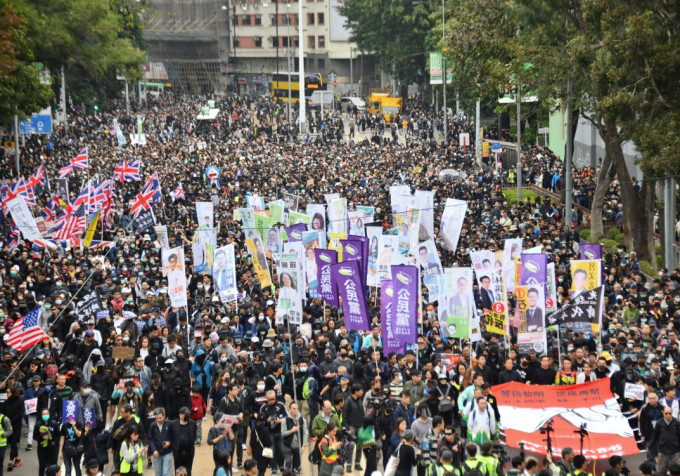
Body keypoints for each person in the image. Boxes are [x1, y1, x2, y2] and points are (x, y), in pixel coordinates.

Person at [649, 406, 680, 476]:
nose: (668, 415)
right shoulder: (659, 423)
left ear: (672, 413)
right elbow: (655, 436)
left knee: (676, 472)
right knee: (661, 472)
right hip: (663, 451)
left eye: (670, 413)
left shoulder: (676, 422)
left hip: (675, 451)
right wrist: (649, 446)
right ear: (663, 414)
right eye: (666, 413)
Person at [281, 401, 307, 475]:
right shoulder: (285, 420)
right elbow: (282, 434)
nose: (295, 410)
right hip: (287, 445)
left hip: (298, 446)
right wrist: (291, 431)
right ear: (289, 410)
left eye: (297, 409)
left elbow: (305, 433)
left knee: (296, 466)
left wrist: (304, 445)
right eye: (293, 409)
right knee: (288, 462)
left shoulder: (302, 420)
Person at [169, 408, 197, 476]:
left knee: (188, 471)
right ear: (180, 415)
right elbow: (170, 436)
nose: (188, 415)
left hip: (189, 453)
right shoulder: (173, 424)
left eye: (188, 414)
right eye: (186, 414)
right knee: (178, 471)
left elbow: (194, 435)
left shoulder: (192, 423)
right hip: (178, 454)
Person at [148, 408, 173, 476]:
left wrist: (169, 443)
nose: (158, 420)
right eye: (156, 418)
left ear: (164, 416)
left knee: (166, 472)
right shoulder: (152, 425)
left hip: (168, 452)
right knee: (158, 473)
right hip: (157, 453)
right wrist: (154, 450)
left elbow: (174, 437)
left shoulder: (170, 424)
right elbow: (150, 439)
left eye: (160, 418)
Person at [34, 409, 58, 476]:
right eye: (43, 414)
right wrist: (42, 438)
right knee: (42, 467)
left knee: (53, 467)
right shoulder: (38, 424)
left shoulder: (54, 423)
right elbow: (34, 436)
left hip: (52, 449)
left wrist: (54, 442)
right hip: (42, 449)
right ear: (41, 415)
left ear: (49, 414)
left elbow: (58, 435)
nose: (45, 415)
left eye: (46, 414)